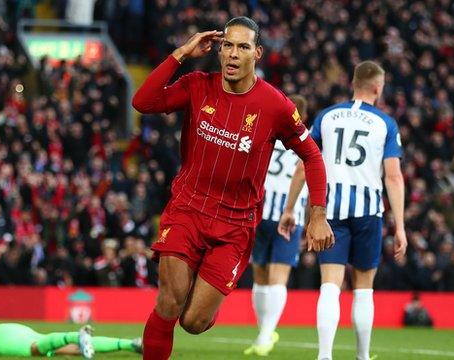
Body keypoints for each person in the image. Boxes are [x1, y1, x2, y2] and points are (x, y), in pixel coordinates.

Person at [132, 16, 332, 360]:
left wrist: (318, 214)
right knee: (168, 301)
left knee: (193, 321)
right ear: (218, 50)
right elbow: (143, 102)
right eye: (227, 45)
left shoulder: (276, 106)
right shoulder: (197, 85)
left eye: (242, 47)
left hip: (235, 226)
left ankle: (203, 303)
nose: (233, 54)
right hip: (188, 210)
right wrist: (181, 53)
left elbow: (313, 157)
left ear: (257, 53)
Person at [279, 61, 407, 360]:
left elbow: (303, 165)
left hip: (329, 211)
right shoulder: (385, 124)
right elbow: (393, 176)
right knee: (363, 289)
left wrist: (290, 209)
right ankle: (362, 356)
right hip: (367, 213)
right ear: (378, 87)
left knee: (330, 286)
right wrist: (400, 225)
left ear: (353, 83)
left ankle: (324, 356)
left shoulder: (327, 116)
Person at [244, 94, 310, 356]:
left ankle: (263, 334)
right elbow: (311, 175)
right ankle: (264, 336)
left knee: (260, 277)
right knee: (277, 279)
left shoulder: (265, 132)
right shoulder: (308, 138)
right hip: (289, 215)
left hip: (258, 211)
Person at [0, 311, 142, 357]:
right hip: (8, 329)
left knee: (35, 350)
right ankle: (130, 344)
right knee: (64, 351)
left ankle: (75, 335)